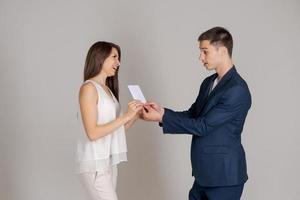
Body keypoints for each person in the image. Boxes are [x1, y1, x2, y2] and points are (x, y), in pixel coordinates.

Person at [142, 27, 252, 200]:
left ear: (222, 51)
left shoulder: (237, 90)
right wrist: (162, 112)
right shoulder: (208, 82)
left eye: (205, 52)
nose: (200, 57)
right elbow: (194, 114)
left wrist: (162, 118)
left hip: (224, 177)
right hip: (203, 175)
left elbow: (203, 126)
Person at [76, 41, 143, 200]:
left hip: (108, 162)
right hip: (94, 163)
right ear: (100, 57)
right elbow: (92, 133)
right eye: (114, 57)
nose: (118, 63)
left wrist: (136, 115)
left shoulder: (107, 90)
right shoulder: (89, 88)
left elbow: (115, 131)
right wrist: (126, 116)